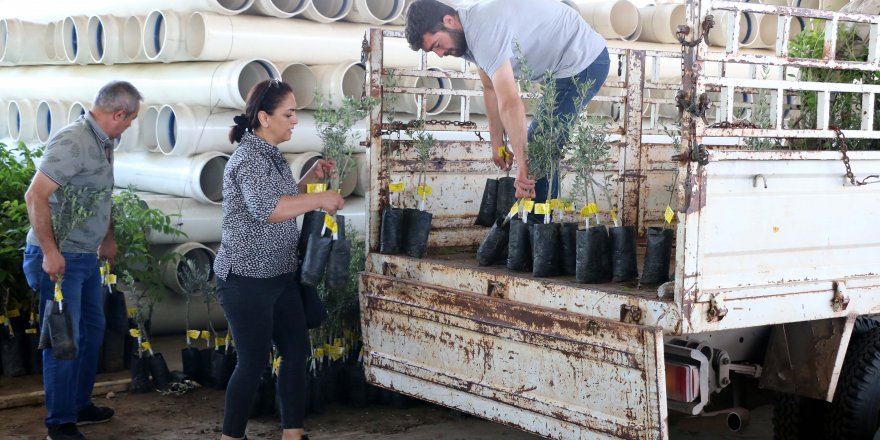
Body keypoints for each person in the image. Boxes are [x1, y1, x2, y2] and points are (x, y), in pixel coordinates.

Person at [214, 78, 344, 440]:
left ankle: (292, 432)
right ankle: (230, 436)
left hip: (280, 275)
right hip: (245, 280)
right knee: (253, 362)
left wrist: (307, 181)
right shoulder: (250, 158)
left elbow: (282, 198)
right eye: (288, 113)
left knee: (296, 350)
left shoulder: (270, 154)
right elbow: (268, 209)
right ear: (264, 118)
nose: (295, 120)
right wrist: (320, 199)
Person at [22, 81, 142, 440]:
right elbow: (35, 195)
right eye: (131, 119)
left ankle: (78, 405)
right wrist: (50, 252)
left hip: (86, 257)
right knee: (64, 340)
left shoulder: (106, 142)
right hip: (60, 260)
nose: (130, 126)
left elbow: (102, 194)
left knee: (93, 331)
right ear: (118, 114)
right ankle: (59, 423)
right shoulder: (72, 141)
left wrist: (107, 237)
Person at [405, 0, 610, 202]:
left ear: (448, 20)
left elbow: (511, 103)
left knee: (541, 143)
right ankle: (536, 223)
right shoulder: (463, 28)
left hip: (584, 61)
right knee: (541, 143)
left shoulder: (483, 31)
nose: (440, 55)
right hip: (564, 65)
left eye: (437, 45)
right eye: (433, 51)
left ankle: (535, 224)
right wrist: (496, 141)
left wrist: (523, 166)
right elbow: (490, 87)